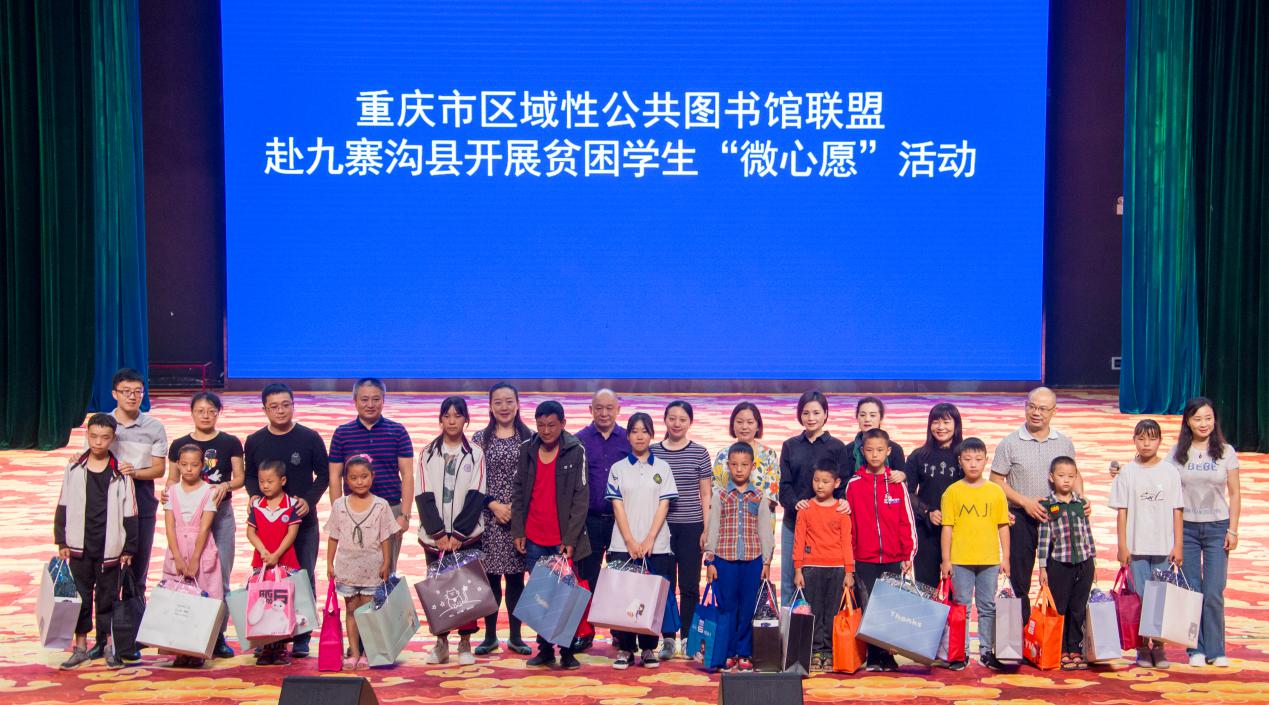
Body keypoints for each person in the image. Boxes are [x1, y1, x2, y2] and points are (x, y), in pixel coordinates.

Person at [244, 383, 329, 657]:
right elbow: (249, 475)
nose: (280, 411)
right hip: (268, 525)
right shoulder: (255, 440)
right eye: (274, 406)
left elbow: (324, 474)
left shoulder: (309, 437)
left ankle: (302, 635)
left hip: (303, 523)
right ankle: (268, 635)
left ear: (293, 405)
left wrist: (309, 500)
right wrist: (255, 495)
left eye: (285, 405)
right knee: (267, 578)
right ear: (264, 409)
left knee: (302, 577)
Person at [510, 400, 592, 670]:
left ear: (563, 424)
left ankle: (567, 651)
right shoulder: (527, 448)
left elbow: (581, 498)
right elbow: (518, 491)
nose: (546, 431)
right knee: (542, 596)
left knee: (565, 597)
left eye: (552, 425)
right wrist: (519, 530)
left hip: (562, 540)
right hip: (534, 536)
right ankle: (544, 649)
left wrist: (570, 539)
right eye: (541, 425)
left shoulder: (575, 449)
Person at [990, 387, 1081, 621]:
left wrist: (1080, 501)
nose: (1036, 412)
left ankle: (1052, 635)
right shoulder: (1010, 443)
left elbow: (1074, 475)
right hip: (1020, 518)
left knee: (1057, 578)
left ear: (1054, 411)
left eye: (1042, 408)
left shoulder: (1064, 443)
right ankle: (1017, 634)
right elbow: (996, 480)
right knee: (1018, 580)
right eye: (1031, 406)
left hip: (1056, 518)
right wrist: (1025, 502)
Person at [54, 413, 137, 670]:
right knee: (80, 597)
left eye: (104, 437)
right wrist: (61, 540)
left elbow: (130, 512)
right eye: (93, 436)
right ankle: (80, 647)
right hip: (79, 545)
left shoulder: (121, 473)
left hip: (109, 547)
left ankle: (109, 646)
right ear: (87, 436)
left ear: (112, 439)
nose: (98, 442)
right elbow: (63, 503)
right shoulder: (74, 468)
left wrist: (129, 547)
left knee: (108, 598)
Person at [166, 391, 243, 658]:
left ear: (218, 413)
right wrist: (167, 494)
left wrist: (224, 485)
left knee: (220, 577)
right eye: (200, 410)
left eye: (211, 411)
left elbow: (240, 477)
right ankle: (186, 634)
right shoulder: (179, 444)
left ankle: (218, 635)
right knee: (185, 573)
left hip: (220, 516)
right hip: (187, 518)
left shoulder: (230, 442)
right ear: (192, 413)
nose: (206, 415)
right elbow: (172, 479)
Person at [415, 396, 488, 666]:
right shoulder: (427, 453)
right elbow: (423, 494)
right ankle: (441, 643)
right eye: (447, 416)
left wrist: (457, 534)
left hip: (465, 537)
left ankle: (465, 642)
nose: (452, 421)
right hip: (435, 538)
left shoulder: (476, 454)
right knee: (439, 590)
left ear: (466, 419)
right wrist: (438, 534)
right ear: (440, 419)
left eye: (458, 416)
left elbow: (477, 493)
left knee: (466, 589)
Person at [1109, 419, 1184, 669]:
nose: (1146, 444)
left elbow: (1177, 510)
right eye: (1141, 438)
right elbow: (1122, 511)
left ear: (1160, 441)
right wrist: (1122, 545)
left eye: (1152, 438)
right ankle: (1142, 647)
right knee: (1139, 599)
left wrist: (1178, 545)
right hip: (1136, 548)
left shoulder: (1170, 472)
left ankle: (1159, 647)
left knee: (1160, 599)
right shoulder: (1127, 473)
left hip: (1163, 547)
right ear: (1134, 440)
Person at [1172, 397, 1241, 668]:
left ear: (1215, 420)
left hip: (1217, 528)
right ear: (1188, 422)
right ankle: (1195, 649)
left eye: (1208, 418)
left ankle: (1216, 649)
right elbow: (1159, 480)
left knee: (1213, 590)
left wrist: (1233, 530)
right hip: (1187, 529)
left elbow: (1235, 493)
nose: (1203, 423)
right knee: (1192, 590)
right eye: (1197, 418)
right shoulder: (1177, 453)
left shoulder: (1226, 452)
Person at [606, 413, 678, 670]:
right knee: (625, 595)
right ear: (627, 436)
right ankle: (626, 648)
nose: (639, 436)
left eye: (644, 431)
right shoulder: (618, 469)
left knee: (652, 597)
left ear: (652, 435)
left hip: (656, 545)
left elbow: (664, 504)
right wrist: (629, 541)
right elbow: (617, 505)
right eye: (634, 431)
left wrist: (649, 539)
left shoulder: (663, 468)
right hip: (622, 544)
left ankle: (648, 648)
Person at [105, 369, 167, 661]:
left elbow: (159, 469)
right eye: (126, 391)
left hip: (142, 503)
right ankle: (105, 638)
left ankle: (132, 638)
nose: (132, 396)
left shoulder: (153, 426)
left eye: (138, 391)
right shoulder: (104, 424)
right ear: (114, 393)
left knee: (137, 572)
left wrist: (133, 472)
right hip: (107, 505)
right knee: (106, 573)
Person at [844, 428, 915, 672]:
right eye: (870, 450)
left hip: (893, 557)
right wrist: (851, 559)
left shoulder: (896, 483)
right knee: (869, 606)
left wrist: (908, 554)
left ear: (888, 451)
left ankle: (888, 654)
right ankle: (874, 654)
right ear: (862, 452)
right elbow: (849, 525)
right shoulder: (854, 485)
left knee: (889, 606)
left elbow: (906, 520)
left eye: (880, 450)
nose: (875, 455)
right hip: (864, 558)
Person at [471, 383, 533, 656]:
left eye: (509, 401)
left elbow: (535, 480)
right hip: (488, 518)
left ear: (517, 404)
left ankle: (517, 637)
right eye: (498, 402)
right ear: (490, 406)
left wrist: (516, 509)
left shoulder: (530, 438)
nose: (504, 407)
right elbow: (472, 479)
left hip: (520, 520)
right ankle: (489, 636)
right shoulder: (479, 439)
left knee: (517, 580)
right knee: (491, 581)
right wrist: (493, 505)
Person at [328, 378, 414, 573]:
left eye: (376, 399)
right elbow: (334, 478)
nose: (370, 405)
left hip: (390, 510)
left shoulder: (398, 431)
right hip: (353, 512)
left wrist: (405, 515)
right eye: (364, 399)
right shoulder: (342, 433)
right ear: (355, 401)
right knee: (354, 569)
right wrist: (338, 514)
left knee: (386, 571)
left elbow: (408, 475)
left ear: (383, 400)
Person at [939, 437, 1011, 671]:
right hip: (960, 559)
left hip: (989, 559)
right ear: (959, 461)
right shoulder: (952, 492)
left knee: (987, 606)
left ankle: (986, 651)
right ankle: (960, 653)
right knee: (961, 607)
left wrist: (1005, 558)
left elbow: (1003, 525)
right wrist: (946, 559)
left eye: (978, 459)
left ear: (986, 461)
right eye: (968, 459)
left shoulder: (995, 492)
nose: (973, 464)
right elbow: (947, 527)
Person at [704, 442, 775, 673]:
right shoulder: (720, 496)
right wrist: (710, 560)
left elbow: (765, 530)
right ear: (728, 466)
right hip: (724, 560)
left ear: (752, 466)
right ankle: (729, 652)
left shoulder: (759, 497)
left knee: (747, 609)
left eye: (744, 465)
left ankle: (744, 653)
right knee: (727, 608)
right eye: (734, 464)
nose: (739, 469)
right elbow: (713, 528)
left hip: (752, 560)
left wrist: (766, 561)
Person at [650, 400, 712, 660]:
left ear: (690, 422)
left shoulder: (699, 453)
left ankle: (687, 637)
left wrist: (706, 529)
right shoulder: (653, 452)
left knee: (689, 586)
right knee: (664, 585)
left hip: (691, 527)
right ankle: (667, 638)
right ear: (664, 420)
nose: (676, 423)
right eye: (672, 418)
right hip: (661, 528)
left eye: (682, 419)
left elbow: (706, 494)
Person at [778, 391, 852, 606]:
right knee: (789, 582)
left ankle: (817, 627)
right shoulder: (790, 445)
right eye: (806, 413)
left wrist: (844, 501)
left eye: (816, 413)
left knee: (819, 585)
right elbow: (784, 485)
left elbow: (844, 484)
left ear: (826, 414)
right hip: (794, 522)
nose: (811, 418)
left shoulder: (837, 447)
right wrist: (795, 503)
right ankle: (789, 627)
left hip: (826, 529)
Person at [326, 456, 398, 671]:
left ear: (372, 477)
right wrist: (329, 563)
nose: (360, 482)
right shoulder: (339, 505)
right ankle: (354, 652)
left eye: (364, 476)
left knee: (369, 612)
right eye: (354, 478)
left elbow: (386, 537)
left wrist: (386, 562)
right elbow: (333, 536)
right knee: (351, 610)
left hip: (372, 567)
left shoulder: (381, 505)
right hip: (347, 567)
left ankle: (368, 652)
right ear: (346, 480)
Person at [573, 388, 629, 652]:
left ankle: (620, 631)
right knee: (587, 578)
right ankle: (586, 631)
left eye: (609, 408)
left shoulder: (629, 439)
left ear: (618, 409)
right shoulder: (578, 440)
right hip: (589, 521)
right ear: (590, 410)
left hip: (621, 522)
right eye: (599, 408)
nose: (604, 413)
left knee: (620, 577)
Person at [161, 444, 223, 668]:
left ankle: (198, 649)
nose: (189, 469)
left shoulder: (209, 492)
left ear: (202, 466)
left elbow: (205, 527)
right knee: (177, 599)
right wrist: (177, 557)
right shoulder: (171, 492)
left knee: (204, 598)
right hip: (177, 547)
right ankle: (179, 649)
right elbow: (169, 526)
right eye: (184, 464)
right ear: (178, 465)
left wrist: (195, 558)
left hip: (201, 548)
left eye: (194, 465)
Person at [791, 459, 855, 672]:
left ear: (836, 483)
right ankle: (815, 651)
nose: (820, 485)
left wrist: (849, 571)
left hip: (837, 568)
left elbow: (847, 542)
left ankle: (829, 652)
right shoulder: (805, 509)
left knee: (832, 613)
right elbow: (799, 541)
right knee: (815, 611)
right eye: (816, 480)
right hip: (812, 567)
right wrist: (798, 569)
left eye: (825, 481)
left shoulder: (842, 511)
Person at [1037, 457, 1095, 671]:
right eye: (1061, 476)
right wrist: (1042, 567)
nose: (1066, 480)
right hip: (1059, 564)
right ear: (1051, 477)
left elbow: (1087, 532)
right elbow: (1044, 538)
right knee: (1059, 608)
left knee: (1078, 607)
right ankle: (1060, 649)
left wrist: (1093, 558)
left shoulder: (1081, 503)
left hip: (1084, 562)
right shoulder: (1048, 505)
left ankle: (1075, 649)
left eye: (1071, 476)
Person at [245, 460, 302, 665]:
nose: (265, 485)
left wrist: (277, 554)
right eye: (262, 482)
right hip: (262, 563)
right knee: (263, 603)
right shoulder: (256, 505)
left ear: (282, 480)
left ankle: (280, 648)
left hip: (285, 562)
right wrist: (263, 551)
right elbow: (251, 532)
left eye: (270, 481)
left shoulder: (291, 505)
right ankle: (266, 647)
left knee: (283, 605)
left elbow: (291, 533)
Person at [906, 403, 965, 587]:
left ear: (956, 425)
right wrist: (927, 511)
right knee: (926, 589)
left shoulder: (964, 456)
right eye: (935, 422)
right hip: (926, 532)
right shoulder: (918, 456)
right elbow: (907, 493)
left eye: (946, 422)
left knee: (956, 591)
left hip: (958, 532)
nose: (940, 427)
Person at [711, 401, 779, 504]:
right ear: (732, 425)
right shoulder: (722, 455)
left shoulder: (769, 455)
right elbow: (714, 489)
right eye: (739, 422)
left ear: (758, 426)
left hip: (761, 512)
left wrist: (750, 510)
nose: (744, 427)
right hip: (728, 511)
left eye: (750, 422)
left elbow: (771, 494)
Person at [842, 396, 906, 479]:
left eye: (872, 415)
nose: (867, 419)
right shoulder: (847, 450)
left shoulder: (895, 449)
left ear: (881, 418)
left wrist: (903, 476)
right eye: (862, 415)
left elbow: (904, 480)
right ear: (857, 417)